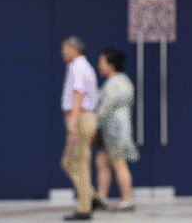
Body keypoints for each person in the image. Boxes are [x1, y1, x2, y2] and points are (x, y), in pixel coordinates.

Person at [93, 47, 140, 212]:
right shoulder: (121, 82)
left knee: (119, 163)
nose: (99, 66)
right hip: (112, 131)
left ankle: (127, 199)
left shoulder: (115, 84)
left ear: (110, 65)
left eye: (101, 62)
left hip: (115, 131)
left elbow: (105, 107)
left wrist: (92, 121)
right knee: (102, 161)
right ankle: (101, 198)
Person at [59, 35, 99, 221]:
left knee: (78, 162)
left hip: (81, 117)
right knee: (71, 162)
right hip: (83, 117)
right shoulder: (79, 66)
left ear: (74, 49)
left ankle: (85, 207)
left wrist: (73, 122)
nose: (63, 52)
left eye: (65, 48)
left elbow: (78, 94)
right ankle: (90, 195)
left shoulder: (79, 67)